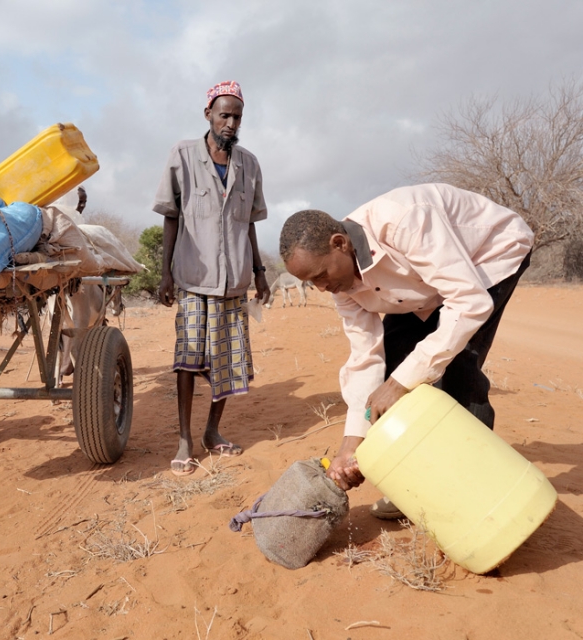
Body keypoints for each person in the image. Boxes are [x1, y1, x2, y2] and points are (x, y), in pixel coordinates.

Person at [280, 183, 533, 518]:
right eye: (312, 283)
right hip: (430, 285)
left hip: (489, 255)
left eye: (322, 275)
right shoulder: (340, 286)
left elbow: (468, 302)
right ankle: (420, 480)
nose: (322, 288)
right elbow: (365, 356)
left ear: (339, 244)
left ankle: (472, 496)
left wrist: (401, 384)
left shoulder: (404, 221)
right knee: (394, 365)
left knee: (457, 368)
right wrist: (350, 446)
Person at [154, 80, 270, 477]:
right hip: (191, 277)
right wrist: (165, 273)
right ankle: (185, 439)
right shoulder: (183, 156)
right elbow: (172, 216)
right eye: (224, 115)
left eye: (237, 116)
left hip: (234, 281)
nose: (231, 123)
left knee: (228, 363)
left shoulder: (249, 165)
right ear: (208, 114)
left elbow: (249, 224)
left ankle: (212, 431)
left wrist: (260, 272)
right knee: (187, 361)